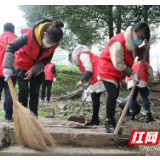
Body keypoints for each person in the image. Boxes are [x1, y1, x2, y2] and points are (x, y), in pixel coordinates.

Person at [3, 19, 64, 116]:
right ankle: (22, 116)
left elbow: (46, 60)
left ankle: (33, 117)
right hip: (22, 64)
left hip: (37, 68)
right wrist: (7, 67)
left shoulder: (53, 45)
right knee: (23, 91)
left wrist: (33, 70)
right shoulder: (29, 35)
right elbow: (11, 46)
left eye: (53, 44)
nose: (50, 46)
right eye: (49, 42)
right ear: (44, 34)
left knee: (35, 93)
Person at [97, 22, 151, 133]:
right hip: (107, 69)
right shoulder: (118, 42)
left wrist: (143, 49)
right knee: (113, 94)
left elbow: (134, 54)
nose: (140, 40)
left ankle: (112, 121)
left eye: (143, 39)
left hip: (116, 73)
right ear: (133, 31)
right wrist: (133, 73)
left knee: (115, 94)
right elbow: (118, 64)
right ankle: (109, 123)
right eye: (139, 37)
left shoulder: (132, 43)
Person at [69, 45, 105, 126]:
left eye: (71, 61)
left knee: (98, 96)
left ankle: (105, 119)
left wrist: (81, 81)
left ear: (72, 57)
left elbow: (89, 69)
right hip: (96, 75)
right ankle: (95, 118)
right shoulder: (83, 55)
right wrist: (89, 84)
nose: (73, 63)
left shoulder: (82, 55)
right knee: (94, 96)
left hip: (100, 73)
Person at [126, 58, 154, 123]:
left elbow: (126, 74)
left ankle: (131, 116)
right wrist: (147, 81)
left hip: (131, 80)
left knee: (132, 98)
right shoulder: (145, 63)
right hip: (141, 79)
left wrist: (128, 83)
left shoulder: (132, 64)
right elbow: (151, 76)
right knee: (144, 97)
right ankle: (149, 116)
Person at [0, 23, 17, 121]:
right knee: (9, 93)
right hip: (12, 72)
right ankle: (8, 116)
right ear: (13, 30)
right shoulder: (18, 40)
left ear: (4, 29)